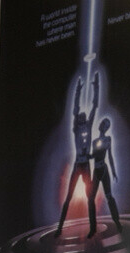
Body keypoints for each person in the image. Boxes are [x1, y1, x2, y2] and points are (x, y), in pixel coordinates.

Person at [55, 74, 99, 239]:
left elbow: (94, 107)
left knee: (90, 198)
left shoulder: (87, 126)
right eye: (81, 117)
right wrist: (78, 91)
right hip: (78, 164)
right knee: (69, 197)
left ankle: (93, 228)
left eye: (83, 117)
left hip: (85, 164)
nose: (82, 117)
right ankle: (60, 227)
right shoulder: (77, 129)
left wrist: (96, 87)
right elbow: (74, 110)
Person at [88, 116, 122, 238]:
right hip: (96, 171)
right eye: (103, 123)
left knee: (109, 196)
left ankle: (117, 222)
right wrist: (85, 155)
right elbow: (93, 156)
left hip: (103, 170)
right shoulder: (94, 141)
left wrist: (113, 172)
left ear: (106, 128)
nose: (102, 125)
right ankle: (93, 228)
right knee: (91, 198)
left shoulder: (108, 139)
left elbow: (110, 156)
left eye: (105, 124)